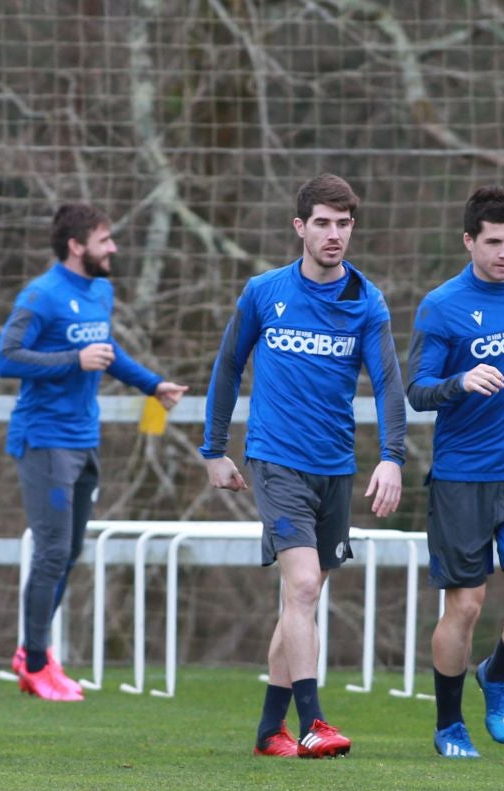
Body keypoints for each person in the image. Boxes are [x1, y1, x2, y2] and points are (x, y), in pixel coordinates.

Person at [201, 174, 406, 759]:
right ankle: (315, 722)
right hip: (275, 461)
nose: (334, 234)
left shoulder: (365, 300)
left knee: (301, 600)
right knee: (304, 584)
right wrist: (214, 450)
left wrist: (392, 458)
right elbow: (226, 368)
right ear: (300, 228)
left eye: (343, 224)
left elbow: (389, 384)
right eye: (322, 223)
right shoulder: (265, 293)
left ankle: (270, 731)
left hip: (334, 466)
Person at [0, 203, 188, 701]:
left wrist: (152, 386)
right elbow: (7, 358)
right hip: (44, 441)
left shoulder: (101, 290)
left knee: (71, 552)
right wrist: (71, 360)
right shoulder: (41, 295)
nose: (114, 248)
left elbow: (107, 352)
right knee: (52, 551)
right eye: (105, 240)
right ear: (78, 246)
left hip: (85, 439)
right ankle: (35, 663)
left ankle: (32, 653)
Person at [406, 185, 504, 759]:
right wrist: (460, 382)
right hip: (462, 477)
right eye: (494, 242)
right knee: (466, 606)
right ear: (469, 241)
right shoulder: (442, 305)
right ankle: (449, 725)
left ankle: (495, 675)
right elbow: (417, 391)